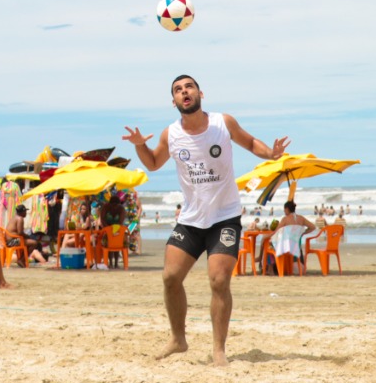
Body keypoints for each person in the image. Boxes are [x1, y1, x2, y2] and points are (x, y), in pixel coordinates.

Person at [123, 73, 289, 366]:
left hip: (224, 217)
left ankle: (218, 349)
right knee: (170, 277)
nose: (184, 92)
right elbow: (152, 163)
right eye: (178, 90)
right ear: (173, 101)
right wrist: (139, 145)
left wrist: (271, 154)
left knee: (219, 280)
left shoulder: (222, 123)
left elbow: (250, 142)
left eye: (188, 87)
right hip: (190, 219)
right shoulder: (171, 134)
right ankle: (178, 339)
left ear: (200, 93)